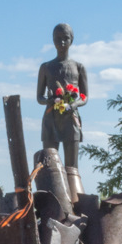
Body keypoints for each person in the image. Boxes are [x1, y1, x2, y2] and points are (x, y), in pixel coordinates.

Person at [36, 23, 89, 196]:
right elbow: (39, 97)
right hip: (51, 120)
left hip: (70, 120)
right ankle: (51, 201)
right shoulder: (46, 67)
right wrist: (51, 100)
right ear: (53, 41)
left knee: (71, 167)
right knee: (49, 165)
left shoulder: (79, 67)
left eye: (65, 38)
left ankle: (74, 201)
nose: (62, 42)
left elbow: (84, 96)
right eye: (58, 39)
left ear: (71, 40)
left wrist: (72, 104)